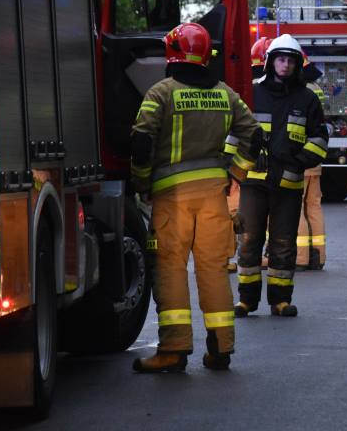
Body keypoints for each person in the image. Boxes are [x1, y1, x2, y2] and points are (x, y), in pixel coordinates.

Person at [130, 22, 262, 372]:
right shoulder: (226, 94)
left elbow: (142, 142)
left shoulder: (160, 93)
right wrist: (237, 172)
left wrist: (141, 182)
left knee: (171, 269)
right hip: (214, 198)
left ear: (171, 54)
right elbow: (254, 135)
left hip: (172, 199)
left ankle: (173, 350)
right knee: (214, 271)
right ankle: (221, 348)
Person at [234, 34, 329, 317]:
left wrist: (301, 161)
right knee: (249, 240)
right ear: (270, 62)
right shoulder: (252, 93)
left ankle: (280, 301)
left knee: (284, 242)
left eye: (290, 60)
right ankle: (247, 300)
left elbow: (320, 138)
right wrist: (235, 169)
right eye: (280, 59)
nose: (285, 65)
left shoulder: (307, 98)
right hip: (253, 181)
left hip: (289, 182)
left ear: (297, 64)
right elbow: (233, 133)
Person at [297, 58, 328, 270]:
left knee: (296, 210)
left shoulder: (298, 93)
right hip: (315, 160)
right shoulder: (316, 89)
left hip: (300, 159)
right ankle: (318, 256)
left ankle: (300, 258)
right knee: (314, 207)